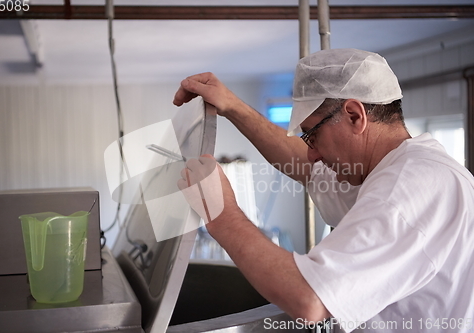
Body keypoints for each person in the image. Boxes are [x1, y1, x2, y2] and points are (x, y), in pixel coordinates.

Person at [173, 48, 474, 332]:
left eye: (312, 135)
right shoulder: (381, 170)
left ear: (355, 115)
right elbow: (303, 164)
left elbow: (310, 299)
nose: (312, 154)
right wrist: (233, 106)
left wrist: (221, 214)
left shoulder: (408, 188)